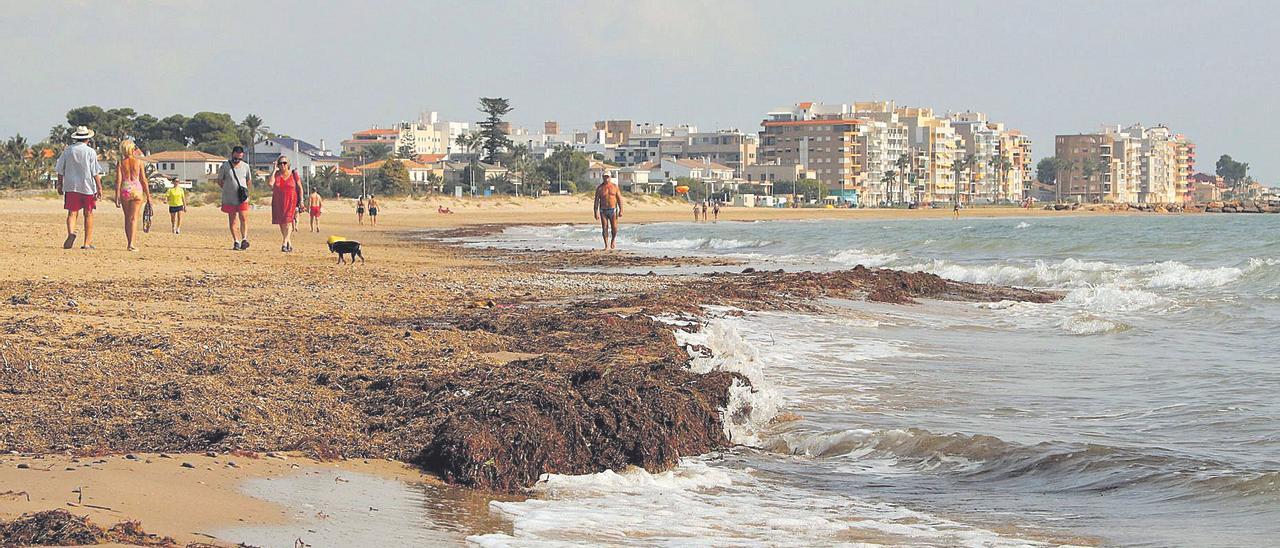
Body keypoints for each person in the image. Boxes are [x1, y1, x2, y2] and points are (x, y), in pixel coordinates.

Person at [54, 126, 103, 250]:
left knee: (72, 212)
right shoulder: (90, 152)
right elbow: (95, 171)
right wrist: (99, 187)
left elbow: (60, 170)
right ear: (88, 139)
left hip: (71, 185)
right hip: (87, 186)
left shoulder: (68, 151)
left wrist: (60, 184)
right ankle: (87, 243)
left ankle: (71, 232)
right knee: (88, 213)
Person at [115, 140, 151, 251]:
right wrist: (148, 196)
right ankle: (132, 243)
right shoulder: (139, 162)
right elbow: (143, 180)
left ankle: (128, 242)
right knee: (134, 218)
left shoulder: (121, 163)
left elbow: (118, 180)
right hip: (137, 189)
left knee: (127, 218)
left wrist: (117, 195)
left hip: (125, 189)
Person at [217, 146, 252, 250]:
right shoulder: (225, 166)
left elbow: (248, 181)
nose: (237, 160)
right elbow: (219, 181)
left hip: (242, 197)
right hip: (229, 198)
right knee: (232, 220)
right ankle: (236, 241)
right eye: (236, 158)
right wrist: (227, 189)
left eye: (240, 158)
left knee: (244, 218)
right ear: (232, 154)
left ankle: (244, 239)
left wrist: (245, 191)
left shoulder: (246, 166)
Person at [270, 155, 300, 252]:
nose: (282, 165)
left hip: (291, 200)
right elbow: (270, 184)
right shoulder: (276, 174)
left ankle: (284, 243)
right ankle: (288, 243)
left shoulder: (294, 174)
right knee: (282, 223)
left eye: (284, 163)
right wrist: (274, 170)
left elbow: (300, 187)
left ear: (288, 164)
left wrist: (302, 201)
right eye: (280, 163)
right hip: (278, 201)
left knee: (288, 221)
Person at [593, 174, 623, 250]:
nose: (606, 178)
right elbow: (596, 201)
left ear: (610, 177)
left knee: (614, 228)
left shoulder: (615, 187)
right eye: (604, 176)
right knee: (605, 227)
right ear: (602, 177)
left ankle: (612, 240)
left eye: (607, 176)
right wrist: (595, 212)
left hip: (613, 209)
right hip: (603, 210)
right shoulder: (600, 188)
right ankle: (606, 245)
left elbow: (619, 199)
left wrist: (621, 210)